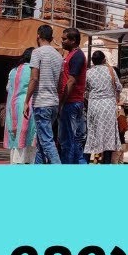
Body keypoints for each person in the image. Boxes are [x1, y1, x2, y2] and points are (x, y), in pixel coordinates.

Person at [27, 25, 63, 164]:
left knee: (47, 141)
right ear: (51, 37)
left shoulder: (37, 53)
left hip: (41, 102)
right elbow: (60, 83)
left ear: (38, 35)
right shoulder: (58, 55)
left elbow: (34, 78)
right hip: (53, 102)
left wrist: (26, 101)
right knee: (42, 142)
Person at [83, 50, 123, 163]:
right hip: (108, 107)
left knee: (91, 134)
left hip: (94, 106)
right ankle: (106, 163)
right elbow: (119, 87)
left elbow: (84, 91)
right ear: (104, 59)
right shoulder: (110, 70)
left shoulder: (88, 73)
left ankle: (85, 162)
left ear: (93, 61)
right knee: (109, 135)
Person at [58, 27, 89, 165]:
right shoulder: (71, 54)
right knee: (73, 139)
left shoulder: (77, 56)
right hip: (72, 101)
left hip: (71, 101)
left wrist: (62, 102)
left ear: (73, 40)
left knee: (68, 139)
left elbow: (71, 81)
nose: (62, 41)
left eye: (65, 39)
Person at [3, 48, 37, 164]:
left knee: (16, 131)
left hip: (12, 105)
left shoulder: (13, 71)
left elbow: (8, 87)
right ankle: (26, 161)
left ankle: (15, 161)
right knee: (28, 132)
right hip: (27, 104)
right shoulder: (34, 70)